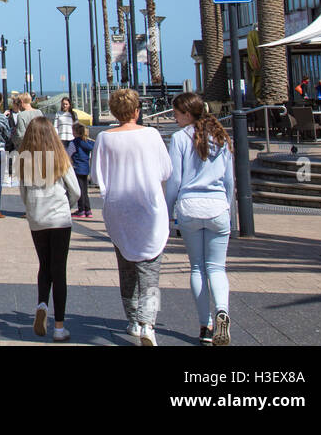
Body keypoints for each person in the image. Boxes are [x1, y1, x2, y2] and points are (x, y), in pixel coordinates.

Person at [92, 88, 171, 346]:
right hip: (149, 207)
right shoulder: (152, 135)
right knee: (150, 270)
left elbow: (97, 176)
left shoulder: (105, 138)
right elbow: (165, 170)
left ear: (114, 111)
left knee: (126, 268)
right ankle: (149, 323)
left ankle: (134, 321)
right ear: (137, 110)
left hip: (118, 208)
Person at [165, 92, 235, 346]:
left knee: (197, 267)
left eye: (176, 113)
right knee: (216, 267)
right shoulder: (221, 136)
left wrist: (168, 210)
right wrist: (228, 209)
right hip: (217, 207)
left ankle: (205, 326)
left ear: (187, 113)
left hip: (190, 207)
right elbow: (229, 180)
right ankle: (222, 311)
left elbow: (174, 180)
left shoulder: (179, 138)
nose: (174, 117)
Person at [16, 116, 80, 342]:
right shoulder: (60, 158)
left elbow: (23, 193)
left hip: (37, 218)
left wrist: (33, 209)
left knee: (44, 265)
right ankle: (59, 327)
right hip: (59, 218)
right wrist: (68, 206)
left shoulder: (23, 160)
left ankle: (42, 303)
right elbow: (76, 191)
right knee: (59, 269)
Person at [67, 124, 94, 218]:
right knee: (85, 190)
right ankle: (88, 210)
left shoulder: (74, 143)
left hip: (77, 167)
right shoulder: (88, 143)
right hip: (85, 168)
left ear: (76, 132)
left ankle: (81, 210)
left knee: (79, 190)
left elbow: (68, 154)